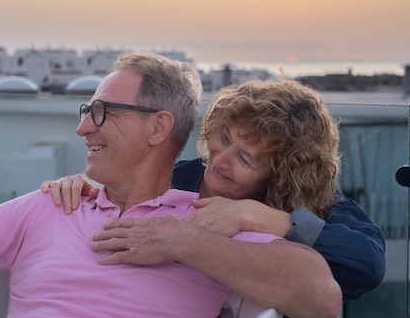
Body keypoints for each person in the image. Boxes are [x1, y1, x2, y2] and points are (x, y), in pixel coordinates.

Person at [0, 53, 342, 318]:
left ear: (158, 128)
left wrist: (180, 241)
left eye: (101, 112)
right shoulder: (50, 205)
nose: (82, 127)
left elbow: (320, 297)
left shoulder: (206, 223)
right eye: (85, 111)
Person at [42, 78, 385, 312]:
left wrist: (261, 217)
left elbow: (366, 265)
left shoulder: (306, 200)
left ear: (280, 175)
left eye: (245, 158)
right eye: (224, 139)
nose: (219, 159)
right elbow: (109, 215)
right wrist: (75, 191)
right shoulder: (174, 177)